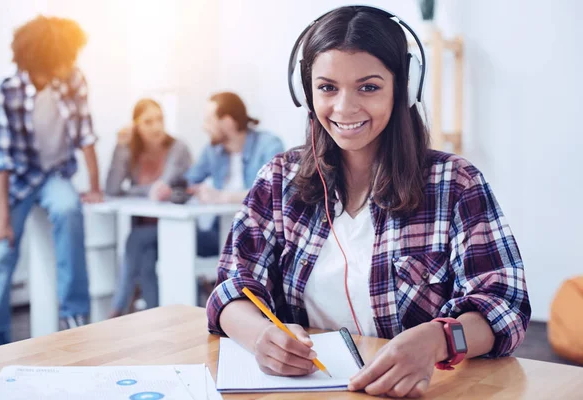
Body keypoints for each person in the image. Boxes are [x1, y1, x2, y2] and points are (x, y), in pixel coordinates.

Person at [205, 6, 531, 398]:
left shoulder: (456, 184)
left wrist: (438, 339)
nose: (344, 108)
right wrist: (260, 336)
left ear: (404, 88)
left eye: (369, 87)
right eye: (327, 88)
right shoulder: (279, 179)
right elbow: (231, 287)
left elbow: (505, 307)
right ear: (306, 92)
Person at [0, 16, 103, 348]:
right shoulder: (5, 91)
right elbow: (3, 159)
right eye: (65, 57)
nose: (71, 63)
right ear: (44, 60)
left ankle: (75, 319)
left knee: (69, 210)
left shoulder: (73, 81)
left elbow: (86, 135)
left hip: (55, 175)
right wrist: (2, 220)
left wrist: (94, 186)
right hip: (19, 180)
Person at [105, 98, 192, 317]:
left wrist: (135, 190)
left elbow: (160, 188)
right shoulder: (131, 151)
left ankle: (117, 309)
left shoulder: (178, 149)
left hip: (178, 228)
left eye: (160, 119)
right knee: (145, 259)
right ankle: (155, 319)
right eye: (148, 121)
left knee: (135, 240)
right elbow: (113, 188)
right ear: (136, 126)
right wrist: (121, 147)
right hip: (149, 232)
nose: (157, 126)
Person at [185, 92, 284, 256]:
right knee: (155, 240)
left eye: (209, 120)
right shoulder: (213, 150)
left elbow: (272, 191)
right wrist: (180, 189)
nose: (204, 127)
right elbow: (188, 181)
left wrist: (222, 197)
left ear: (228, 123)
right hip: (221, 235)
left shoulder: (269, 145)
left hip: (258, 239)